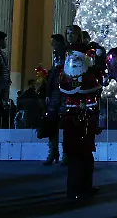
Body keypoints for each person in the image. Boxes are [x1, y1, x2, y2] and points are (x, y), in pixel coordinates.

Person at [59, 25, 102, 200]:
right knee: (76, 154)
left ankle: (84, 187)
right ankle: (75, 189)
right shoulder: (65, 54)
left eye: (73, 33)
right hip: (72, 109)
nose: (70, 36)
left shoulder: (89, 52)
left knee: (84, 153)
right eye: (67, 33)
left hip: (86, 108)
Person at [42, 34, 66, 165]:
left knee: (64, 121)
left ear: (58, 42)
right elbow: (52, 74)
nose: (52, 45)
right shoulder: (56, 54)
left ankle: (61, 153)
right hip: (56, 91)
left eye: (53, 42)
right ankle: (54, 152)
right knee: (52, 121)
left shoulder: (65, 53)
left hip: (64, 90)